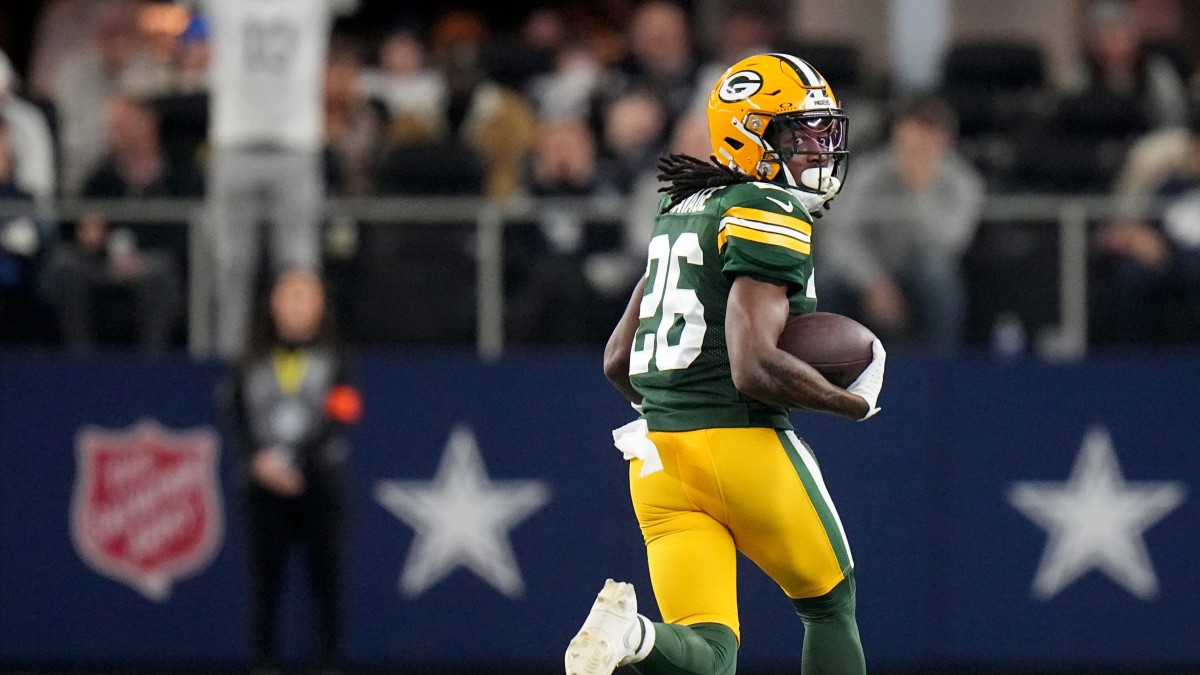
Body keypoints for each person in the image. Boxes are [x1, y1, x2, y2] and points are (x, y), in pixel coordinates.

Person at [565, 53, 886, 675]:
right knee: (830, 606)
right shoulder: (767, 207)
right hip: (740, 445)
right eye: (799, 133)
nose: (818, 148)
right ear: (749, 136)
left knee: (711, 655)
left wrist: (680, 404)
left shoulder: (681, 207)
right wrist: (849, 401)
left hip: (658, 459)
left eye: (824, 131)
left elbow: (618, 360)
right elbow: (752, 366)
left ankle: (632, 635)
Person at [188, 0, 360, 359]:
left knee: (299, 266)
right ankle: (229, 363)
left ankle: (305, 362)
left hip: (295, 145)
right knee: (231, 265)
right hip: (235, 142)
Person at [222, 268, 362, 674]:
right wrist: (259, 460)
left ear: (320, 306)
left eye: (306, 296)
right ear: (273, 304)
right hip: (263, 487)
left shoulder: (338, 360)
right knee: (266, 583)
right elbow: (234, 415)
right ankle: (264, 664)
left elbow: (343, 415)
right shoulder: (248, 361)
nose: (297, 305)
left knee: (327, 581)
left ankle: (328, 665)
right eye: (289, 295)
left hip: (320, 484)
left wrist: (297, 462)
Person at [818, 95, 985, 355]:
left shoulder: (962, 181)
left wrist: (919, 191)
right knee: (824, 279)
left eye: (929, 133)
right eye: (913, 132)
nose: (919, 143)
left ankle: (940, 368)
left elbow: (950, 242)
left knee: (938, 276)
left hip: (918, 273)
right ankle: (826, 367)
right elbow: (839, 234)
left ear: (945, 140)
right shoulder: (868, 173)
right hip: (868, 272)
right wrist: (872, 282)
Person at [39, 210, 181, 352]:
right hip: (86, 271)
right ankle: (80, 355)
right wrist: (89, 251)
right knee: (68, 273)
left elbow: (162, 255)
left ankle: (153, 355)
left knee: (161, 272)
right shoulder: (67, 255)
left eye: (100, 227)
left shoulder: (132, 239)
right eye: (90, 227)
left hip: (132, 269)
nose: (96, 232)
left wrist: (134, 262)